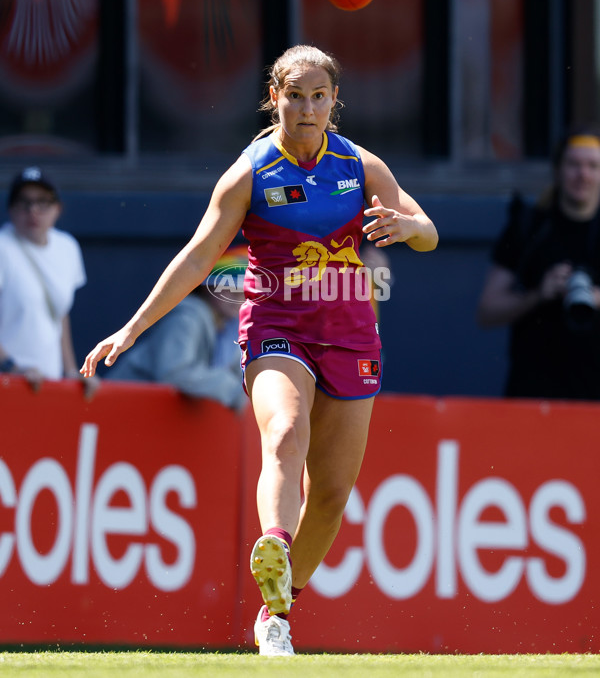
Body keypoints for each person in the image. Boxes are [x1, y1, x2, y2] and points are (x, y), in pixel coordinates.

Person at [80, 45, 438, 655]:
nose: (306, 107)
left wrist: (408, 228)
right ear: (274, 98)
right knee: (284, 431)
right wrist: (132, 329)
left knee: (329, 494)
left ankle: (279, 607)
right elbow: (197, 257)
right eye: (294, 95)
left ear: (333, 102)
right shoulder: (249, 173)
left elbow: (427, 233)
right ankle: (274, 536)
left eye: (318, 95)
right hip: (276, 323)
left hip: (352, 332)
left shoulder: (360, 165)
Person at [477, 129, 600, 400]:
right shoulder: (529, 227)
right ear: (558, 170)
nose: (583, 175)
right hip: (534, 392)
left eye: (593, 166)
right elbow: (486, 311)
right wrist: (538, 294)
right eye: (574, 165)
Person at [105, 245, 248, 411]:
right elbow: (174, 373)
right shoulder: (187, 318)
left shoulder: (233, 325)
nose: (237, 294)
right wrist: (233, 389)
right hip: (119, 410)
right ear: (206, 287)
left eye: (243, 288)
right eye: (228, 286)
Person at [0, 166, 98, 398]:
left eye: (42, 202)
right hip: (7, 384)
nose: (33, 210)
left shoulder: (67, 248)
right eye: (24, 202)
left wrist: (72, 371)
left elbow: (59, 314)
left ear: (58, 208)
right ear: (11, 209)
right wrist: (12, 367)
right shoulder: (2, 247)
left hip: (47, 383)